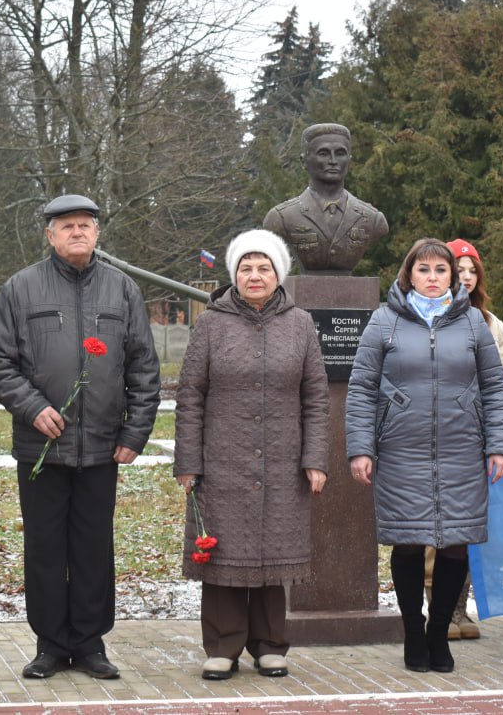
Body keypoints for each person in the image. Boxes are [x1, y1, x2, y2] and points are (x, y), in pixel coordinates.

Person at [0, 194, 160, 681]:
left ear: (98, 232)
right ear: (50, 235)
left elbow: (143, 368)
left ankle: (91, 642)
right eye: (67, 226)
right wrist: (32, 406)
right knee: (44, 548)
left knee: (93, 548)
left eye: (86, 225)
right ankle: (50, 644)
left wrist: (135, 433)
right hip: (41, 449)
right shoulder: (22, 289)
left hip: (103, 446)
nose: (78, 232)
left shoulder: (122, 291)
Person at [345, 238, 503, 674]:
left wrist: (498, 444)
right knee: (408, 542)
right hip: (402, 450)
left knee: (456, 544)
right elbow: (362, 388)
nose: (433, 278)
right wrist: (361, 447)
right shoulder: (385, 322)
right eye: (425, 270)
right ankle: (413, 634)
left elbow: (495, 388)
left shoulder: (473, 322)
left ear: (454, 277)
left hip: (462, 449)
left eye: (442, 270)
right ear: (408, 275)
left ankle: (439, 633)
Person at [173, 229, 329, 681]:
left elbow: (315, 397)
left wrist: (314, 458)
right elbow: (190, 395)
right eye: (246, 268)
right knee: (223, 555)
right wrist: (188, 462)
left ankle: (270, 645)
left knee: (273, 552)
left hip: (283, 460)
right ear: (234, 274)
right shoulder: (211, 323)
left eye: (264, 268)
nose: (255, 275)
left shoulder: (299, 323)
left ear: (278, 274)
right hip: (222, 460)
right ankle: (223, 646)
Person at [431, 239, 503, 640]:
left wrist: (498, 433)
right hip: (439, 433)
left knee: (466, 527)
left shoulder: (491, 323)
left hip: (477, 434)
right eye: (457, 269)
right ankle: (438, 613)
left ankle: (458, 610)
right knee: (436, 527)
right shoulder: (426, 315)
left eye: (471, 270)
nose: (465, 276)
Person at [263, 123, 389, 274]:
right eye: (323, 153)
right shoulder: (281, 218)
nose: (333, 161)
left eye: (340, 153)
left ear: (349, 159)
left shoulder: (373, 219)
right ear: (304, 161)